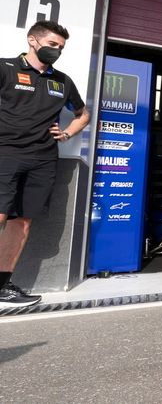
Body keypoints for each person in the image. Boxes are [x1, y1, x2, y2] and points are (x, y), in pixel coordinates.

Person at [0, 20, 90, 307]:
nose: (57, 50)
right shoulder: (5, 68)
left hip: (43, 159)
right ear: (32, 40)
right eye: (52, 44)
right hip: (5, 153)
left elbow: (83, 113)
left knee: (22, 222)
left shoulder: (61, 81)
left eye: (61, 47)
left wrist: (65, 134)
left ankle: (2, 287)